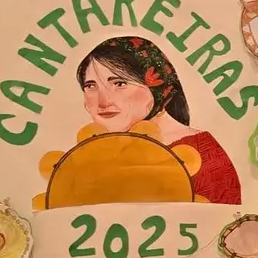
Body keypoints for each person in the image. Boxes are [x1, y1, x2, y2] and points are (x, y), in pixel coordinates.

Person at [74, 36, 241, 205]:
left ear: (158, 86)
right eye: (90, 86)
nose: (103, 102)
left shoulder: (203, 154)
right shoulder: (96, 157)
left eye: (119, 83)